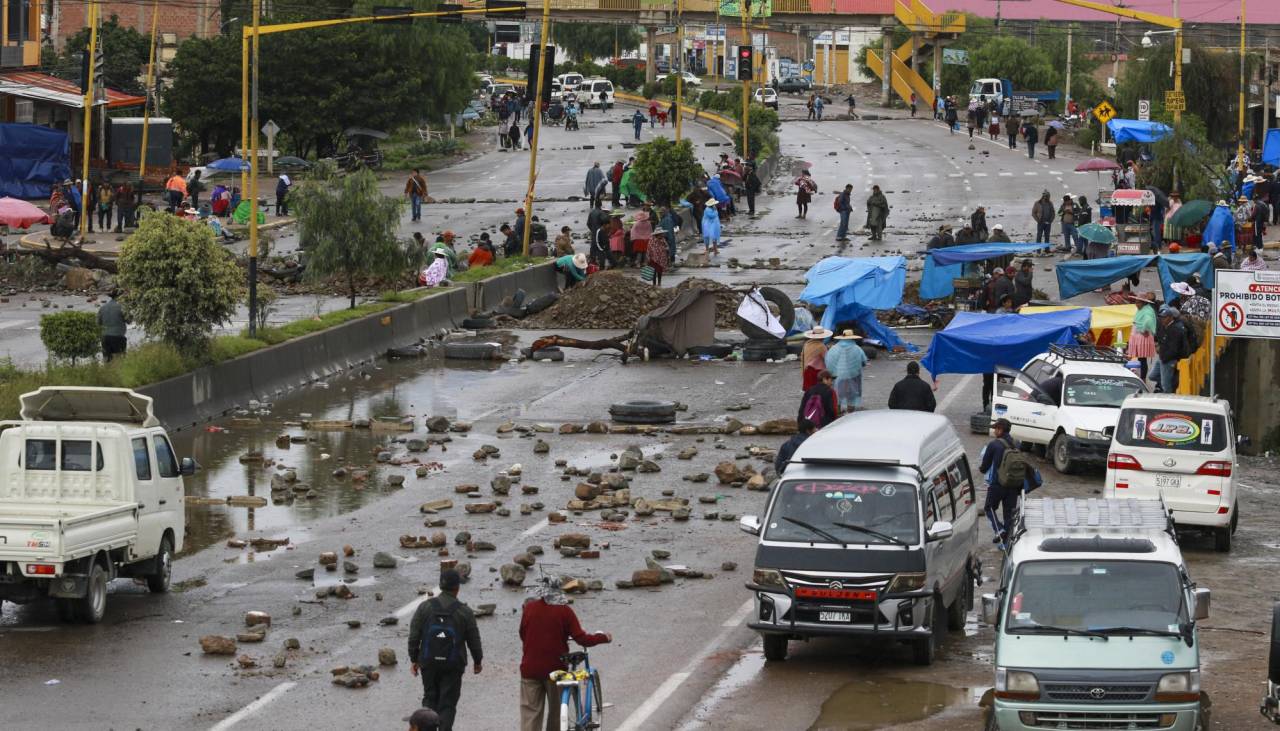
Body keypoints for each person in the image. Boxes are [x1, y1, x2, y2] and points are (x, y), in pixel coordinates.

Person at [519, 581, 611, 731]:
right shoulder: (564, 611)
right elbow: (582, 639)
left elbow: (523, 634)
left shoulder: (529, 609)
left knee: (530, 714)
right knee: (557, 712)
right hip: (555, 670)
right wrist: (603, 638)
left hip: (529, 669)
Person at [408, 570, 482, 731]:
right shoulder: (465, 611)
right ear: (457, 588)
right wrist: (478, 661)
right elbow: (474, 640)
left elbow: (414, 635)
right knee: (447, 703)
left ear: (441, 586)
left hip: (428, 662)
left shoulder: (424, 607)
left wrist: (414, 659)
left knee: (429, 698)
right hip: (453, 664)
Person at [979, 418, 1034, 548]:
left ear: (1000, 430)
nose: (994, 431)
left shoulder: (994, 445)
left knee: (989, 508)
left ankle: (1000, 530)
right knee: (1009, 514)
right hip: (1014, 485)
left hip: (997, 485)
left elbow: (984, 467)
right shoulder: (1017, 443)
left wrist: (981, 468)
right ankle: (1007, 544)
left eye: (995, 429)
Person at [824, 330, 868, 414]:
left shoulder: (834, 348)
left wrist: (833, 372)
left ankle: (838, 412)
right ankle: (850, 413)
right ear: (852, 338)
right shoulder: (857, 349)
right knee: (852, 396)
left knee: (838, 395)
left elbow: (828, 361)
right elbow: (864, 361)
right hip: (854, 376)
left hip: (838, 377)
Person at [1154, 305, 1188, 393]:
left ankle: (1168, 398)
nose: (1162, 320)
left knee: (1166, 385)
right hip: (1163, 357)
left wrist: (1165, 358)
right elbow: (1161, 340)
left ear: (1170, 318)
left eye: (1164, 318)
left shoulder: (1175, 329)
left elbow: (1174, 348)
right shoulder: (1165, 327)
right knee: (1152, 376)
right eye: (1161, 317)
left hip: (1168, 360)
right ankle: (1169, 384)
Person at [97, 289, 127, 361]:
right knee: (119, 360)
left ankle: (107, 372)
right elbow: (129, 320)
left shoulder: (102, 307)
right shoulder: (122, 307)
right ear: (120, 297)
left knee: (107, 360)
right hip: (118, 337)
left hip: (105, 337)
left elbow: (98, 323)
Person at [800, 326, 831, 391]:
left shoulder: (807, 344)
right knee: (818, 392)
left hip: (807, 370)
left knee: (809, 392)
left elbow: (802, 357)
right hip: (817, 373)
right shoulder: (821, 346)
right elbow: (827, 360)